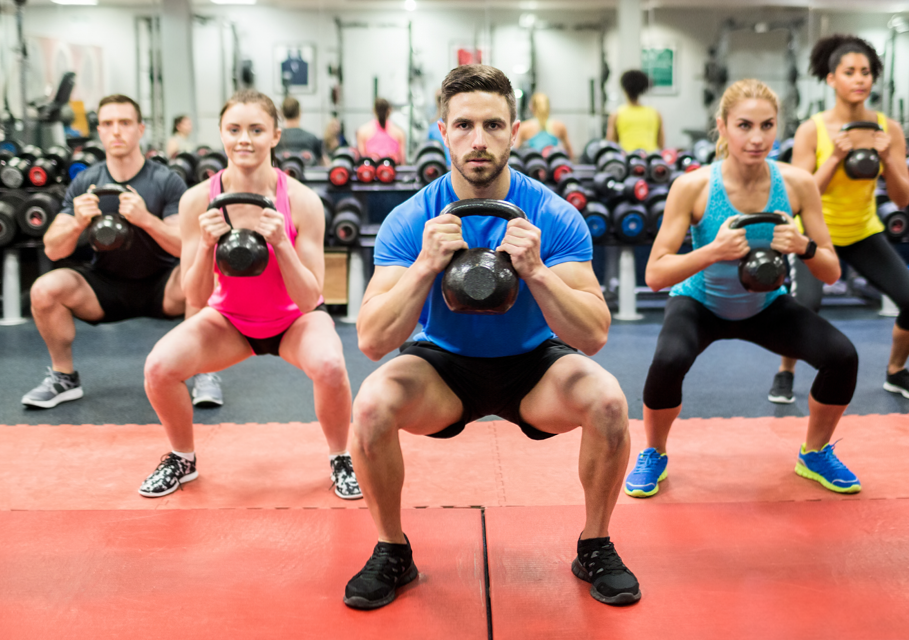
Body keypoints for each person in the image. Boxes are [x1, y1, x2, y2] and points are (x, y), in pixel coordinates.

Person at [343, 64, 640, 610]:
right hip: (442, 367)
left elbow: (594, 334)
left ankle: (595, 544)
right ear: (442, 132)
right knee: (369, 408)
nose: (478, 141)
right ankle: (393, 550)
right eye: (463, 126)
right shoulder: (412, 220)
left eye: (493, 125)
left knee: (609, 404)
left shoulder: (552, 214)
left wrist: (539, 271)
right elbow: (370, 339)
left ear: (515, 131)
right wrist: (424, 267)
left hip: (533, 365)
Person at [624, 79, 861, 500]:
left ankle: (815, 451)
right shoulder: (694, 186)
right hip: (700, 302)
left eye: (767, 126)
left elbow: (830, 272)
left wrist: (803, 246)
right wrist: (712, 252)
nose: (757, 138)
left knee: (842, 356)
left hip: (765, 304)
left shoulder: (797, 183)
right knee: (668, 359)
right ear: (723, 127)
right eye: (744, 125)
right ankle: (654, 452)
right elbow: (656, 275)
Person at [139, 90, 359, 501]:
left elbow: (312, 298)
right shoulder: (196, 201)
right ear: (221, 135)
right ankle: (182, 457)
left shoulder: (302, 201)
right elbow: (196, 295)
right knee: (158, 367)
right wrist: (205, 247)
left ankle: (341, 457)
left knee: (330, 365)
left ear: (276, 135)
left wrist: (283, 245)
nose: (245, 139)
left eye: (256, 129)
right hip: (230, 321)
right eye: (234, 129)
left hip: (294, 321)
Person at [23, 95, 221, 410]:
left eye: (125, 123)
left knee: (202, 269)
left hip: (163, 286)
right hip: (105, 287)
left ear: (140, 129)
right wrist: (76, 224)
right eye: (108, 124)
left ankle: (203, 372)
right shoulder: (86, 182)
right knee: (45, 289)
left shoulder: (166, 181)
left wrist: (147, 221)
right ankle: (64, 378)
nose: (116, 131)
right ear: (99, 131)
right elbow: (53, 248)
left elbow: (189, 246)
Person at [767, 34, 909, 404]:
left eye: (866, 72)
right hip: (817, 235)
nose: (860, 79)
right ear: (831, 79)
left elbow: (903, 199)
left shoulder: (888, 129)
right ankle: (785, 371)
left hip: (863, 232)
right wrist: (835, 158)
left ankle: (896, 371)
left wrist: (887, 159)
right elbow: (794, 198)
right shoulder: (814, 129)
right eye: (850, 72)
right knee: (805, 306)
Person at [606, 70, 664, 153]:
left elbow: (611, 143)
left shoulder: (616, 114)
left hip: (628, 160)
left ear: (624, 90)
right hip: (649, 161)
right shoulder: (655, 113)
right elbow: (661, 144)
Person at [356, 97, 406, 164]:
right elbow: (402, 160)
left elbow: (362, 156)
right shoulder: (399, 132)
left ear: (373, 110)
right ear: (389, 111)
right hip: (392, 172)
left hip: (371, 172)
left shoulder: (362, 131)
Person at [276, 97, 324, 166]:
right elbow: (323, 163)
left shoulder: (276, 139)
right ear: (300, 112)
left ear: (282, 113)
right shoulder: (312, 138)